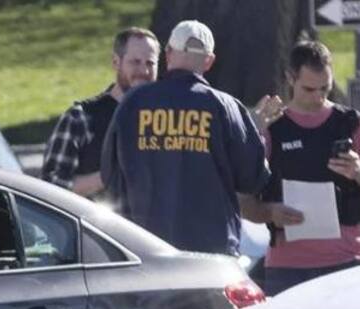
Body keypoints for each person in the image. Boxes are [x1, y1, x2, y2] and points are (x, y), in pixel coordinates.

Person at [101, 20, 270, 254]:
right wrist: (258, 134)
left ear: (168, 54)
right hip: (212, 253)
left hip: (145, 250)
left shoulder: (133, 103)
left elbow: (110, 175)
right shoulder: (226, 107)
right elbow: (253, 179)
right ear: (209, 61)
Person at [240, 41, 360, 296]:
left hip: (349, 263)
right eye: (309, 89)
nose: (319, 97)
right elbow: (244, 203)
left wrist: (359, 171)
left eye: (325, 88)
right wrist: (270, 212)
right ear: (290, 78)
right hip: (288, 269)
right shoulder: (272, 128)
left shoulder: (352, 123)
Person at [41, 27, 159, 199]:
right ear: (116, 62)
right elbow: (48, 187)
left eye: (150, 63)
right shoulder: (80, 118)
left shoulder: (165, 121)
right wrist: (107, 176)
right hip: (94, 224)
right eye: (135, 62)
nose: (144, 71)